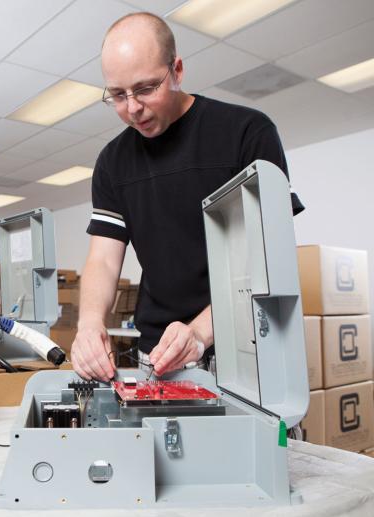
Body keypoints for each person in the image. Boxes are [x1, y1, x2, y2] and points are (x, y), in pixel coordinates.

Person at [71, 12, 304, 382]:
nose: (132, 108)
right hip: (158, 356)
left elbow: (270, 254)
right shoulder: (112, 163)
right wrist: (88, 325)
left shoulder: (246, 133)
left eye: (146, 88)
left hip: (247, 348)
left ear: (177, 71)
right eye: (117, 94)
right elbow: (103, 260)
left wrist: (198, 333)